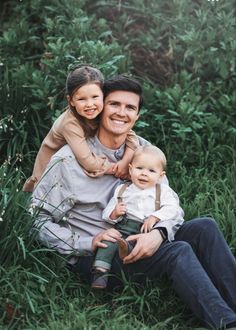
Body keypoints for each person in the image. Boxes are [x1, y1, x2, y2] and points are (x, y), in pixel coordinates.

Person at [31, 74, 236, 330]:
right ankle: (227, 324)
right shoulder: (67, 160)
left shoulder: (143, 153)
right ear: (101, 107)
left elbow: (169, 204)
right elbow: (35, 218)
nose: (121, 113)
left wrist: (159, 234)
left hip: (143, 234)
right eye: (114, 104)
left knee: (205, 226)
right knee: (178, 251)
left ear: (137, 115)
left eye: (130, 107)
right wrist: (86, 242)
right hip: (99, 257)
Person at [23, 65, 138, 192]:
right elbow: (88, 161)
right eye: (82, 99)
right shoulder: (70, 124)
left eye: (95, 97)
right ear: (71, 100)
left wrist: (126, 160)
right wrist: (117, 169)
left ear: (103, 96)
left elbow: (129, 134)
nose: (90, 104)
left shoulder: (98, 110)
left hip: (76, 164)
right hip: (53, 173)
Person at [91, 145, 184, 289]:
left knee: (150, 246)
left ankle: (128, 248)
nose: (144, 174)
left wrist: (155, 216)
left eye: (151, 170)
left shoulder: (163, 191)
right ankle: (100, 273)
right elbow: (106, 214)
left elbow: (173, 209)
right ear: (130, 169)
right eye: (139, 168)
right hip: (124, 226)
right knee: (108, 242)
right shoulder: (123, 190)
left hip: (147, 230)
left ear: (161, 175)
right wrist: (114, 213)